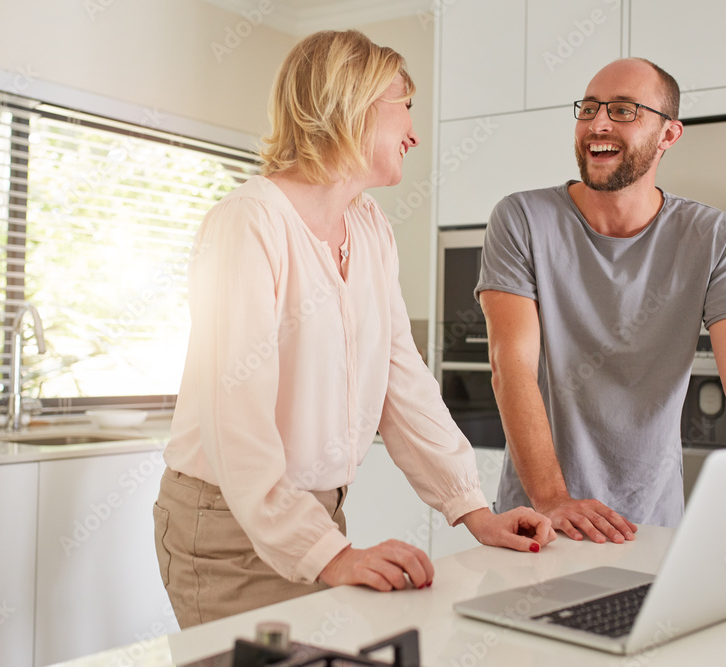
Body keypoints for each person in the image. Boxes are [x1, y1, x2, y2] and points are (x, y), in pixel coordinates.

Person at [153, 30, 555, 628]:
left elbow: (402, 378)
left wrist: (473, 509)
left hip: (314, 517)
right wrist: (331, 553)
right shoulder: (247, 224)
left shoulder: (369, 229)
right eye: (406, 105)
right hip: (227, 527)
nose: (415, 132)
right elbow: (235, 417)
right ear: (353, 102)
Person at [477, 57, 726, 555]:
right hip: (541, 523)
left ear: (668, 135)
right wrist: (553, 496)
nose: (598, 123)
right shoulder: (521, 219)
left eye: (623, 110)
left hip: (654, 528)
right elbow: (510, 365)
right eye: (590, 108)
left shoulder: (713, 237)